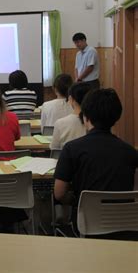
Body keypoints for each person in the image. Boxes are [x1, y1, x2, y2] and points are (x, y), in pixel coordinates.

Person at [54, 89, 138, 235]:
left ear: (85, 117)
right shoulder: (131, 152)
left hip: (86, 225)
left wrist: (77, 201)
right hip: (126, 226)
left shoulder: (72, 149)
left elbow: (59, 193)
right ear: (116, 118)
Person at [50, 82, 91, 150]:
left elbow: (54, 150)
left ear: (70, 99)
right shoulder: (95, 122)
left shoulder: (60, 123)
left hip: (66, 159)